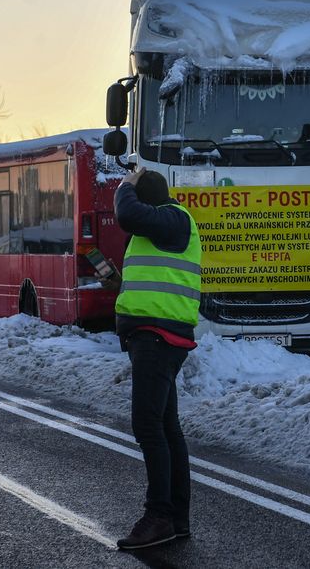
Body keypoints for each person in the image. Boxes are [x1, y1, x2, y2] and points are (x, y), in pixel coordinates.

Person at [113, 166, 201, 550]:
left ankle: (159, 515)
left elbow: (126, 212)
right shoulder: (160, 228)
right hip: (155, 336)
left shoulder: (173, 218)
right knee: (165, 428)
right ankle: (176, 518)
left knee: (148, 425)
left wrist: (125, 184)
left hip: (158, 338)